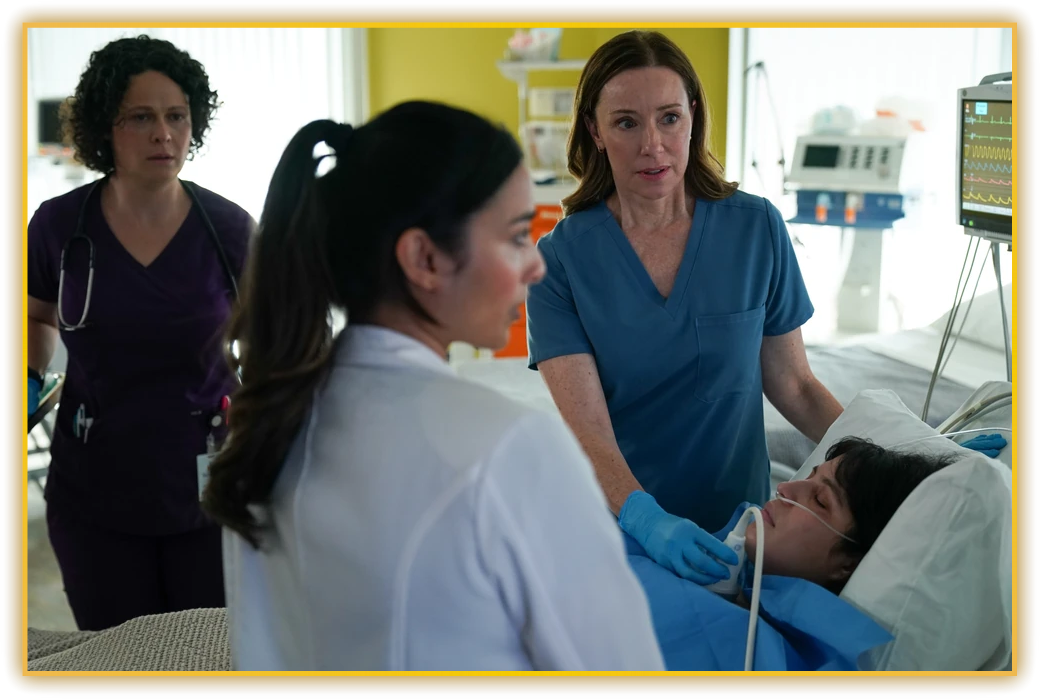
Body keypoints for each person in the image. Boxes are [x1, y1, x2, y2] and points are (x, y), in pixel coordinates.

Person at [201, 101, 665, 671]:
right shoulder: (512, 448)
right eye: (517, 236)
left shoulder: (267, 432)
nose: (536, 266)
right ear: (424, 258)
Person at [524, 30, 844, 584]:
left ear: (693, 117)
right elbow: (589, 433)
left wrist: (894, 452)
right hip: (621, 533)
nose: (653, 144)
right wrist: (646, 521)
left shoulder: (756, 229)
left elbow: (795, 386)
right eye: (627, 123)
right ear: (596, 131)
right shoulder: (560, 262)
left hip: (745, 533)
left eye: (669, 118)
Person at [26, 35, 254, 631]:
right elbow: (37, 316)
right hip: (92, 490)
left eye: (177, 116)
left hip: (209, 490)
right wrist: (26, 379)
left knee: (206, 655)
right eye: (141, 117)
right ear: (105, 128)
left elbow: (275, 341)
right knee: (114, 658)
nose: (164, 134)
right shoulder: (58, 226)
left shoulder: (229, 230)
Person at [626, 437, 957, 670]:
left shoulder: (762, 657)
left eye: (820, 500)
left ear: (848, 564)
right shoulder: (698, 554)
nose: (785, 488)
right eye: (810, 475)